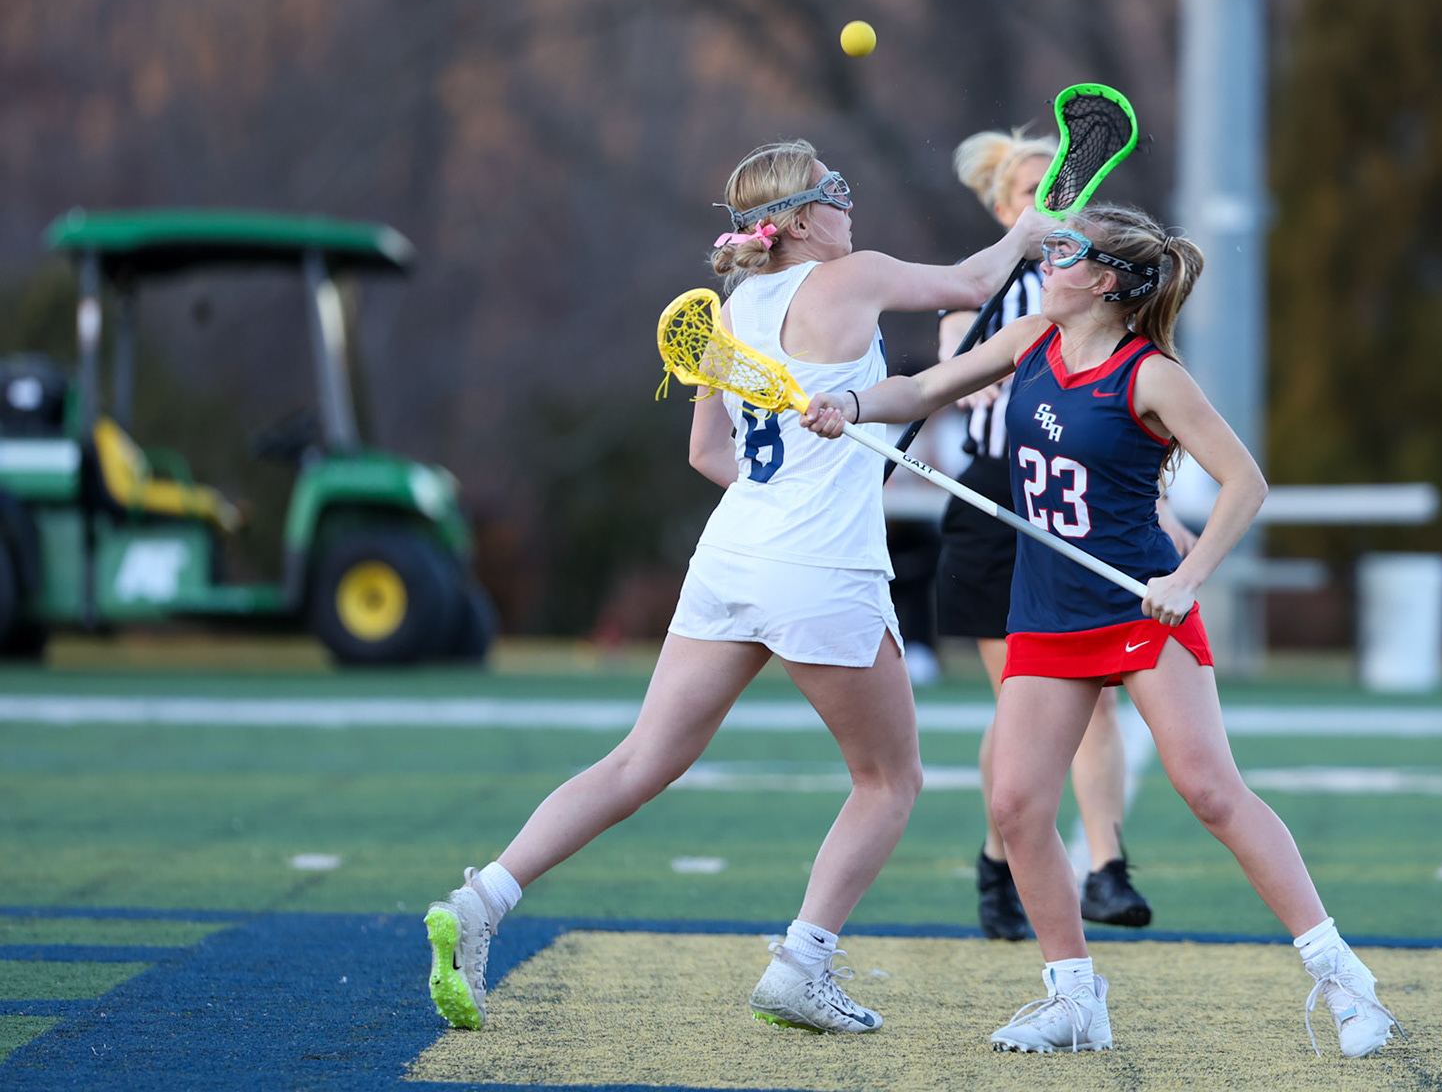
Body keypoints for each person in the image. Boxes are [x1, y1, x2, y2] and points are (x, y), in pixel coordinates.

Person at [423, 140, 1050, 1036]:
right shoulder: (852, 277)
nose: (849, 201)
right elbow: (973, 282)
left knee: (638, 761)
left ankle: (481, 900)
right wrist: (1032, 230)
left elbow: (708, 456)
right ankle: (801, 966)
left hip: (733, 556)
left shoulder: (729, 312)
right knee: (890, 781)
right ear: (798, 220)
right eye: (835, 190)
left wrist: (788, 486)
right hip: (822, 566)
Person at [801, 204, 1399, 1058]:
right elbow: (923, 390)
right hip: (1047, 613)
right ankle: (1075, 997)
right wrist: (853, 404)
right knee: (1014, 807)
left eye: (1065, 255)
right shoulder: (1028, 345)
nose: (1047, 266)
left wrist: (1185, 579)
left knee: (1209, 789)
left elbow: (1245, 484)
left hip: (1136, 608)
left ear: (1110, 283)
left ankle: (1345, 980)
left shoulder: (1150, 376)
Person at [939, 128, 1174, 940]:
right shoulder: (994, 291)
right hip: (998, 503)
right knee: (1025, 705)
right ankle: (1002, 857)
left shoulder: (1084, 288)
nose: (1055, 208)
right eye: (1038, 194)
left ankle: (1105, 869)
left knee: (1095, 703)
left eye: (1066, 193)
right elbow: (951, 373)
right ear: (1007, 209)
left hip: (1079, 503)